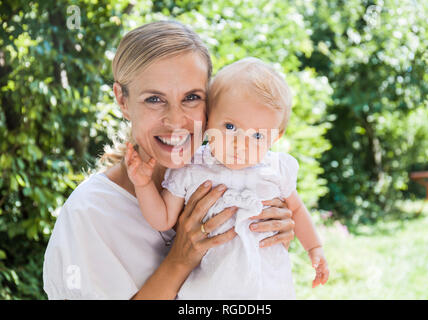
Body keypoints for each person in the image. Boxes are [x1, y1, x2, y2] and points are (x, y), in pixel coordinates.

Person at [42, 21, 297, 300]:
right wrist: (180, 259)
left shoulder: (233, 179)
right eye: (154, 99)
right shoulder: (90, 212)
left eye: (191, 97)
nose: (176, 120)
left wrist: (273, 237)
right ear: (122, 100)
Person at [125, 57, 329, 299]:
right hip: (209, 291)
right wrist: (143, 184)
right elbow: (162, 219)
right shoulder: (192, 168)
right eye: (230, 127)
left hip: (269, 289)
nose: (240, 144)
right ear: (209, 118)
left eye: (257, 136)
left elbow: (295, 209)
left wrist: (314, 248)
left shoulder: (275, 168)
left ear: (276, 136)